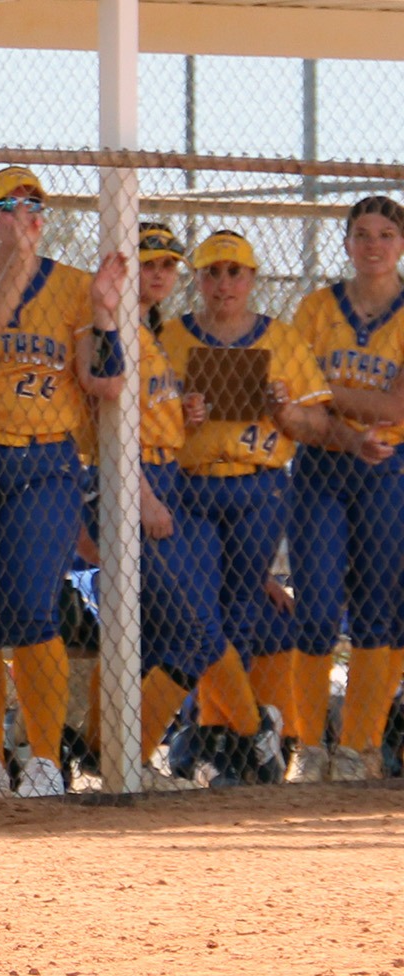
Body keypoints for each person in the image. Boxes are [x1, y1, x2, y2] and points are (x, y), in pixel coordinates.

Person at [0, 165, 125, 798]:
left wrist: (106, 314)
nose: (22, 214)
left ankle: (42, 757)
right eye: (6, 204)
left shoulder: (71, 288)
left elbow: (105, 381)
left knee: (34, 610)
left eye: (34, 204)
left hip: (44, 461)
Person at [159, 229, 390, 789]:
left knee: (239, 616)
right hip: (189, 488)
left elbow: (314, 424)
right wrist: (179, 416)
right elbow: (141, 421)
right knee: (196, 615)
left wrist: (288, 416)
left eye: (234, 272)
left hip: (258, 488)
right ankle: (246, 727)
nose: (223, 283)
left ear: (253, 279)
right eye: (212, 272)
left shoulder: (281, 340)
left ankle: (230, 744)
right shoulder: (172, 336)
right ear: (198, 280)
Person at [74, 224, 272, 788]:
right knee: (197, 633)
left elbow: (142, 412)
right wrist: (143, 496)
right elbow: (107, 413)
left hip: (160, 477)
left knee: (158, 636)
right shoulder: (106, 328)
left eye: (167, 263)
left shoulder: (148, 331)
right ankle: (133, 758)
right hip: (128, 484)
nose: (159, 272)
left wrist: (178, 417)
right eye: (147, 262)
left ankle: (108, 757)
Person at [286, 197, 404, 782]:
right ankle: (308, 747)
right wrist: (344, 407)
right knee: (315, 609)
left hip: (388, 468)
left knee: (378, 612)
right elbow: (299, 399)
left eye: (386, 234)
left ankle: (361, 746)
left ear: (401, 244)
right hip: (320, 463)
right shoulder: (315, 307)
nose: (374, 245)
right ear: (346, 242)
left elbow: (398, 406)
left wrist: (329, 386)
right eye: (362, 234)